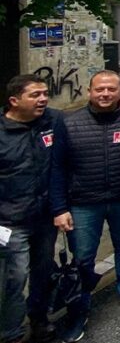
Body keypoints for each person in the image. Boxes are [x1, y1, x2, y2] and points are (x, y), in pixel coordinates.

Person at [51, 71, 120, 341]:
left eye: (111, 89)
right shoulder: (69, 123)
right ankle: (79, 308)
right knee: (84, 257)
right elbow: (58, 168)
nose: (105, 94)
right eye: (100, 89)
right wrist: (60, 208)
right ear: (90, 91)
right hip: (83, 203)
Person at [1, 75, 58, 343]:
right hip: (10, 222)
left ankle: (40, 321)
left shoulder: (52, 121)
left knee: (42, 273)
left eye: (45, 93)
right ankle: (11, 333)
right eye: (35, 95)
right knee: (15, 278)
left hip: (46, 217)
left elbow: (89, 116)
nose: (43, 99)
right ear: (14, 101)